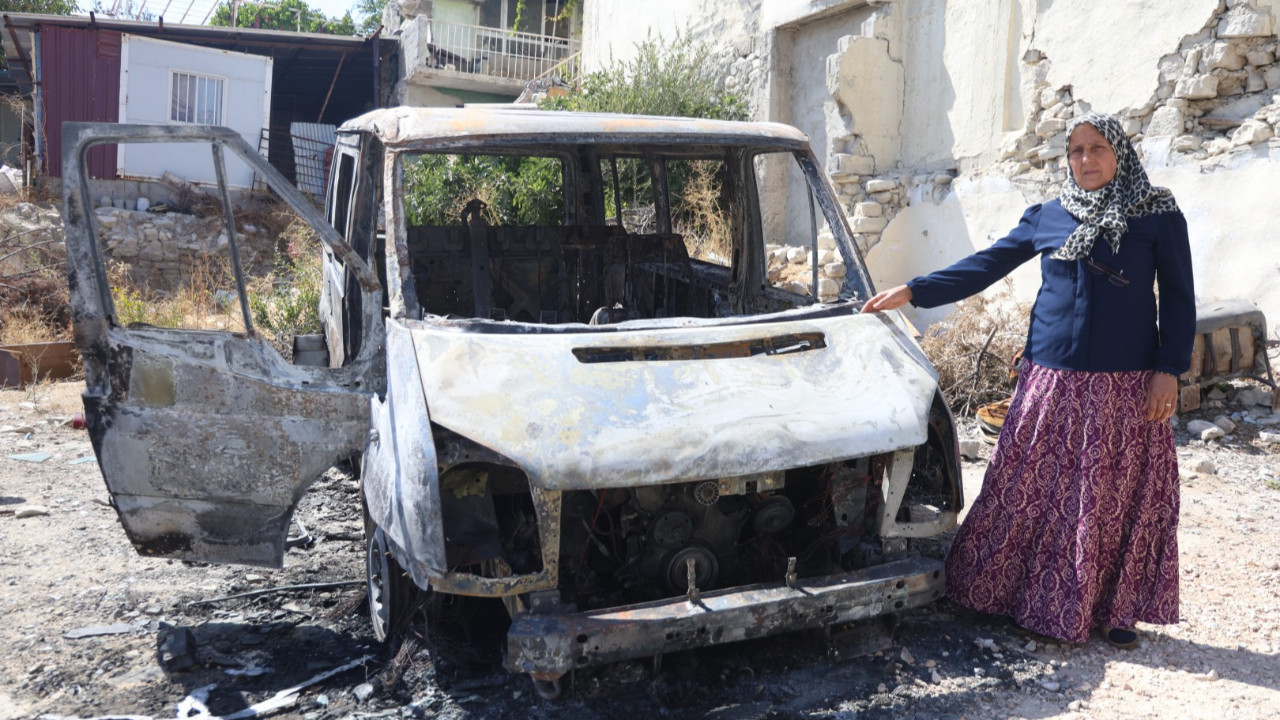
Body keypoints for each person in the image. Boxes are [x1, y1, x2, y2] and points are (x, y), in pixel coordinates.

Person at [862, 112, 1195, 648]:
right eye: (1076, 151)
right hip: (1052, 378)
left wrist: (1168, 371)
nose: (1085, 160)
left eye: (1097, 148)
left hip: (1126, 385)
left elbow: (1179, 299)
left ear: (1120, 154)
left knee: (1113, 499)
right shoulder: (1049, 214)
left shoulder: (1155, 215)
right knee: (1030, 493)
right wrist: (914, 290)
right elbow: (988, 264)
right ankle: (1012, 596)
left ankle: (1114, 609)